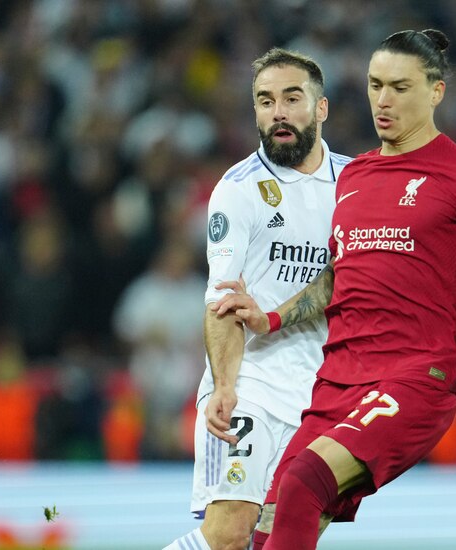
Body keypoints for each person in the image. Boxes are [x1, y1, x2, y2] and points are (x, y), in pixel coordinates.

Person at [214, 30, 456, 550]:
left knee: (302, 483)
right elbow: (343, 275)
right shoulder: (356, 175)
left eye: (400, 87)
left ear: (436, 92)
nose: (382, 101)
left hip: (416, 378)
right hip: (338, 380)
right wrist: (269, 319)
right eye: (374, 85)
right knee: (269, 528)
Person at [163, 47, 353, 550]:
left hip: (328, 392)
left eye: (293, 98)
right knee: (229, 533)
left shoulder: (358, 185)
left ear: (322, 107)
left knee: (281, 541)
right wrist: (224, 386)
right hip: (255, 385)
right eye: (266, 101)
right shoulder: (238, 190)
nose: (279, 113)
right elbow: (221, 301)